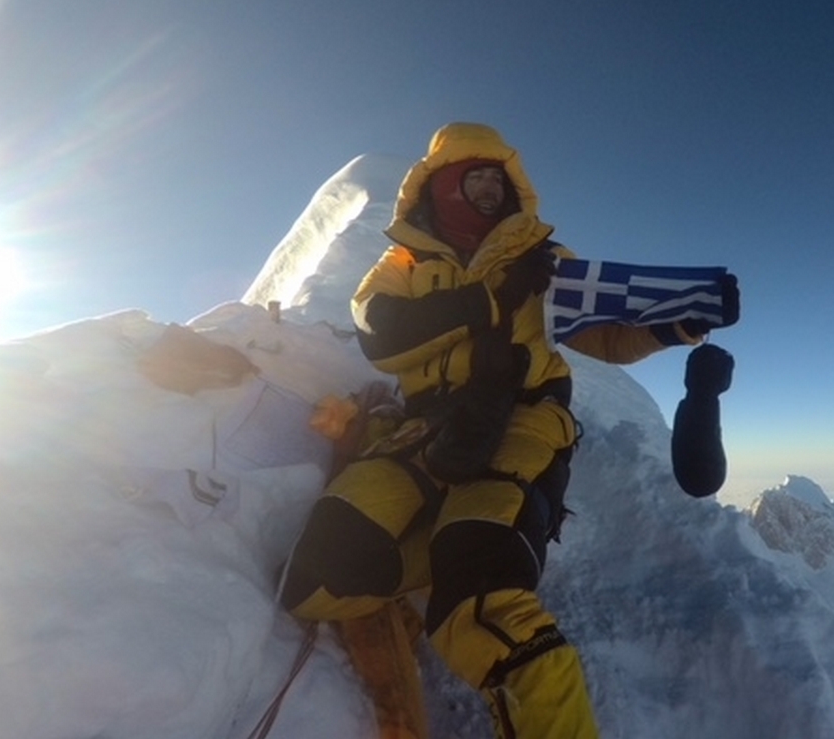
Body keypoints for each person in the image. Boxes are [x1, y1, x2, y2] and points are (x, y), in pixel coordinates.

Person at [279, 122, 738, 738]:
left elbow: (604, 333)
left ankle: (471, 571)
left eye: (499, 181)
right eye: (477, 180)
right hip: (425, 425)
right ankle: (448, 549)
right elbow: (380, 333)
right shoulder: (401, 263)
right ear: (442, 186)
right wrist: (489, 303)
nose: (491, 193)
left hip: (524, 415)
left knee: (483, 596)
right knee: (317, 578)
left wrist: (676, 326)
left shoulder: (543, 260)